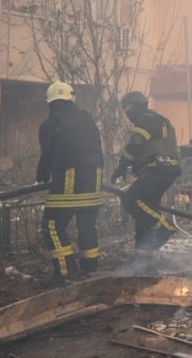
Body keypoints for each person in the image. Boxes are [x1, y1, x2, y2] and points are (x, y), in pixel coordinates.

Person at [35, 81, 104, 288]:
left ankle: (64, 272)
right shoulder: (88, 119)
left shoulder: (50, 123)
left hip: (69, 179)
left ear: (51, 102)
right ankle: (90, 266)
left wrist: (42, 171)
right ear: (71, 99)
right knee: (87, 224)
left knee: (53, 225)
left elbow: (48, 152)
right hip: (95, 179)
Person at [110, 91, 182, 272]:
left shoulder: (147, 119)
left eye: (128, 107)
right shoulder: (153, 120)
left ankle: (165, 227)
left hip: (160, 171)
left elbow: (135, 144)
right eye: (125, 109)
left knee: (130, 200)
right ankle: (144, 260)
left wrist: (121, 166)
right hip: (159, 170)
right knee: (144, 216)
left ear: (138, 105)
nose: (127, 112)